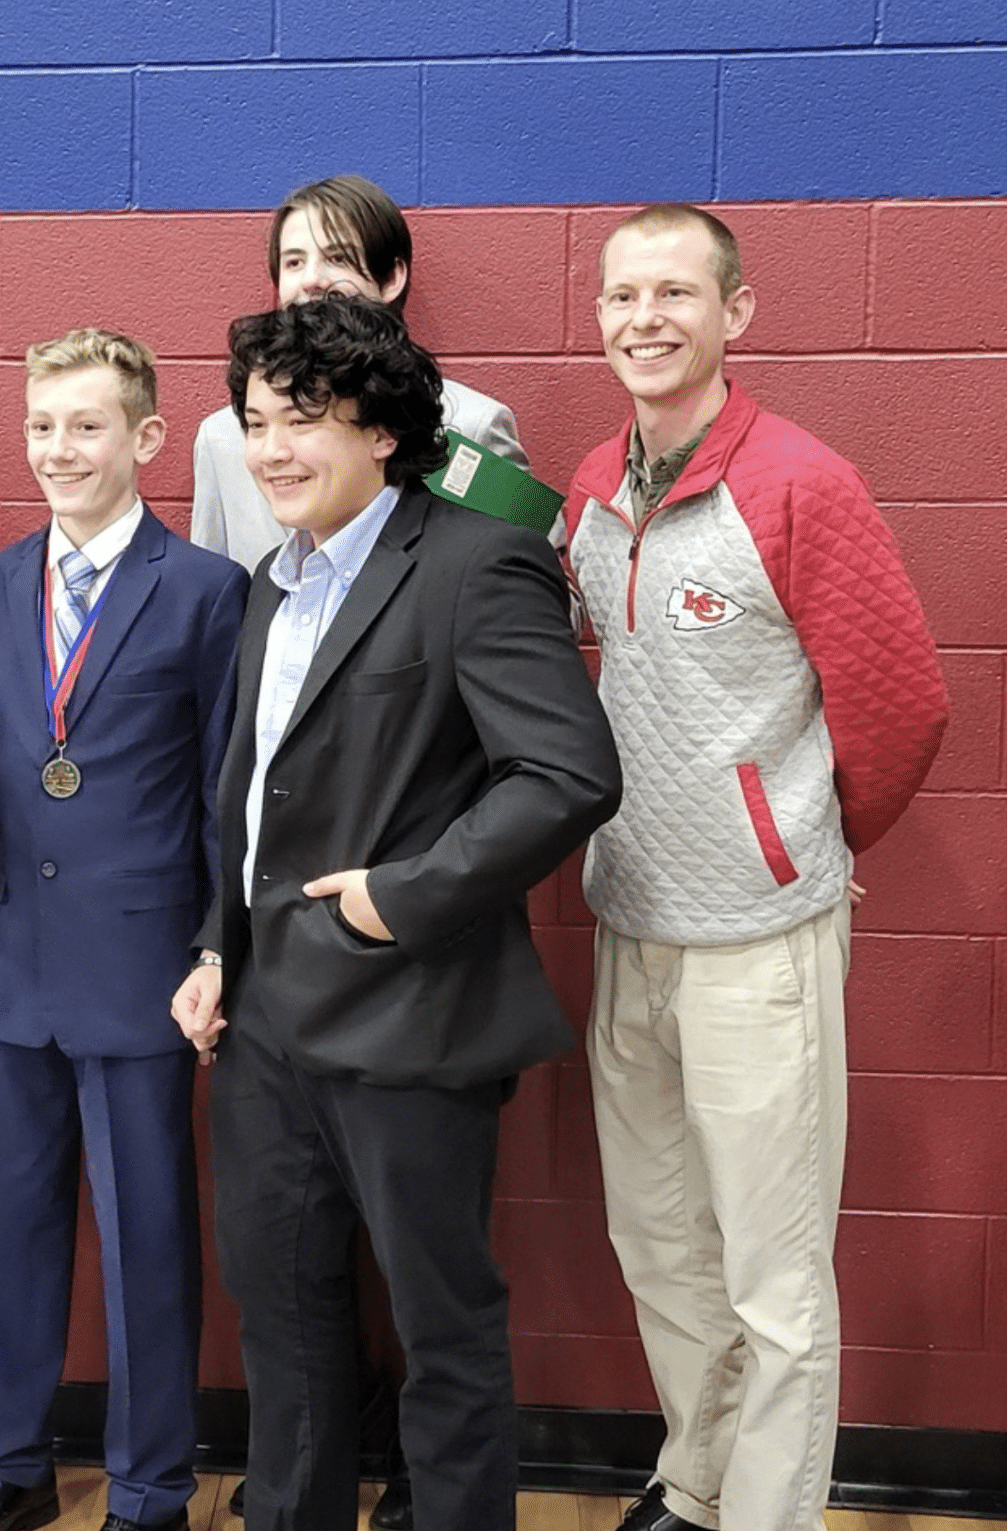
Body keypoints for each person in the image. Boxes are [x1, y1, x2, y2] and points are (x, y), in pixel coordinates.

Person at [170, 295, 621, 1531]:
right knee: (287, 1329)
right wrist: (219, 940)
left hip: (413, 1020)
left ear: (381, 429)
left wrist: (395, 900)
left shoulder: (479, 564)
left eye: (299, 420)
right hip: (263, 1026)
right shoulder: (269, 582)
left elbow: (569, 775)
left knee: (442, 1333)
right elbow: (254, 791)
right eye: (253, 421)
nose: (266, 449)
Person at [563, 206, 947, 1531]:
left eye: (675, 291)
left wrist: (803, 844)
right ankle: (696, 1474)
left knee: (775, 1280)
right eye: (622, 295)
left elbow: (902, 707)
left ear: (738, 311)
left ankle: (769, 1514)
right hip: (631, 924)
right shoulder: (588, 490)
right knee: (663, 1249)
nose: (644, 318)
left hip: (757, 943)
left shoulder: (799, 481)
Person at [0, 329, 248, 1531]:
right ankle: (14, 1464)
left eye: (86, 426)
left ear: (145, 439)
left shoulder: (205, 590)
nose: (59, 449)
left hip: (141, 967)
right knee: (12, 1232)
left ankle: (148, 1487)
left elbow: (219, 794)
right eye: (42, 425)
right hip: (6, 965)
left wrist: (214, 947)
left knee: (147, 1234)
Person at [192, 173, 530, 578]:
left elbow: (548, 587)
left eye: (337, 258)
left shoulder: (473, 424)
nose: (312, 279)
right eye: (294, 262)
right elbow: (210, 598)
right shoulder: (223, 438)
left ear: (391, 279)